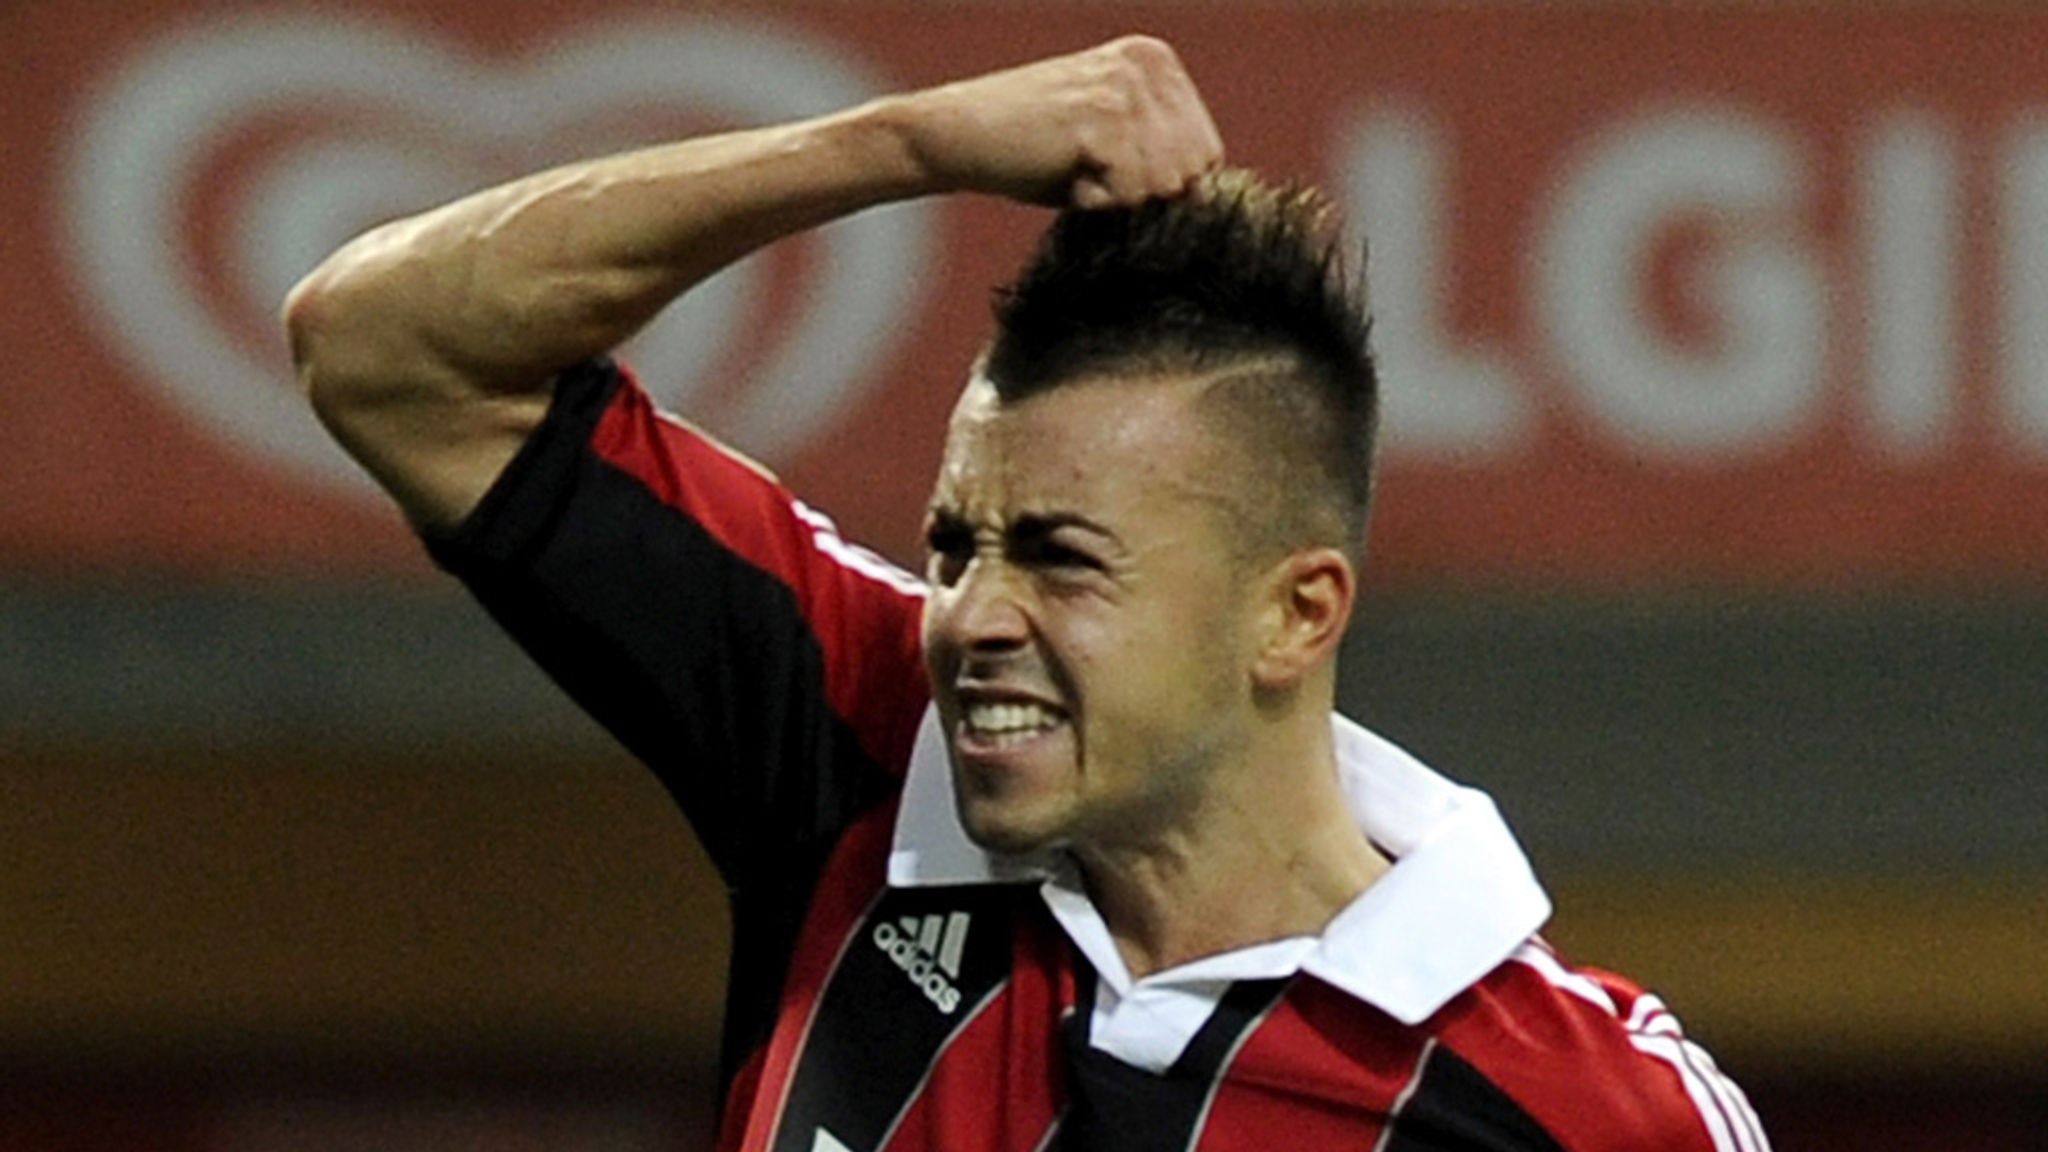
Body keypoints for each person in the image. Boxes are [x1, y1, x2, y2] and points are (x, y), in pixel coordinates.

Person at [285, 35, 1769, 1152]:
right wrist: (910, 142)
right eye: (954, 545)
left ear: (1297, 614)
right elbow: (384, 349)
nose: (972, 616)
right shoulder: (864, 735)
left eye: (1062, 557)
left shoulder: (1585, 1108)